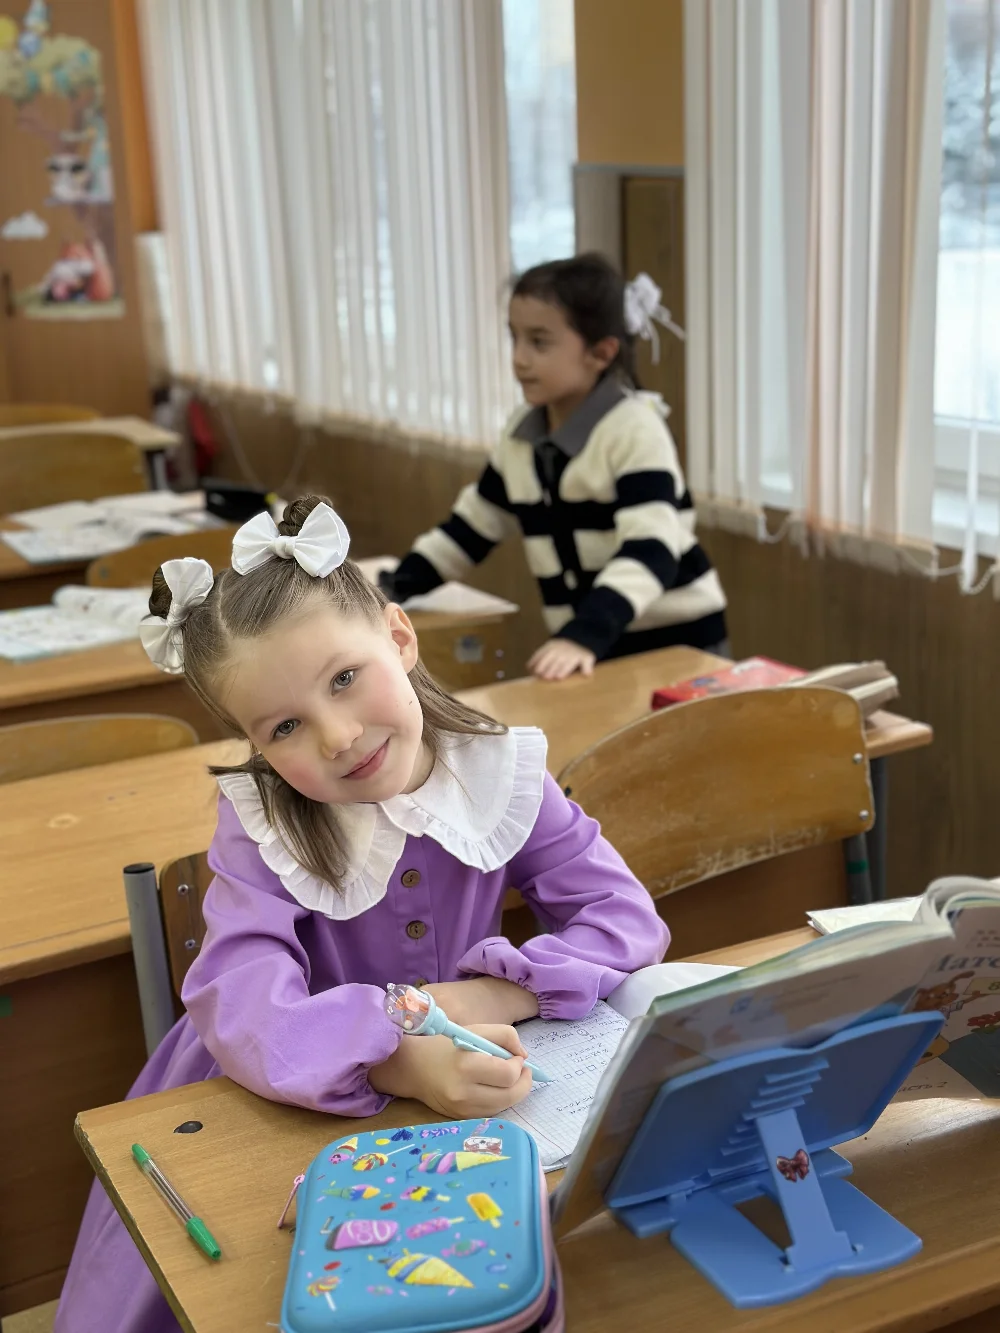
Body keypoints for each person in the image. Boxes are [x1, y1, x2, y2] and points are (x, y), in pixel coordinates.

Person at [55, 496, 670, 1333]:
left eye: (344, 678)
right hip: (285, 1088)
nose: (338, 736)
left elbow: (622, 913)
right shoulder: (262, 825)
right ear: (256, 743)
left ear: (399, 636)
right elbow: (244, 1006)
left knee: (495, 1276)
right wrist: (395, 1060)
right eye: (285, 726)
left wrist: (493, 995)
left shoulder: (496, 768)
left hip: (466, 1076)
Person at [384, 253, 728, 680]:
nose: (519, 358)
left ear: (601, 353)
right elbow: (468, 531)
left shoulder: (635, 429)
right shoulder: (521, 435)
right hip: (593, 646)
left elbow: (651, 552)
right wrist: (390, 590)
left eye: (539, 342)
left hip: (676, 644)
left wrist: (583, 635)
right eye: (514, 338)